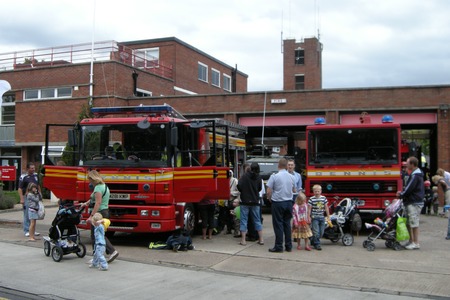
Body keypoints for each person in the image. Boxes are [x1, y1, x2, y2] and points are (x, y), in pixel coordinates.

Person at [82, 170, 119, 263]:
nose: (89, 182)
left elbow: (97, 203)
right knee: (100, 233)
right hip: (105, 211)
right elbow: (93, 199)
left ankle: (102, 255)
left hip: (99, 213)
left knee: (95, 235)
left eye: (90, 180)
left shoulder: (98, 188)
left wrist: (91, 216)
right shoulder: (104, 186)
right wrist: (85, 203)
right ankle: (105, 253)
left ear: (93, 179)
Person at [267, 158, 295, 253]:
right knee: (287, 224)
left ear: (278, 165)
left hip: (278, 202)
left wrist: (270, 198)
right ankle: (288, 246)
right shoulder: (292, 176)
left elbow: (269, 190)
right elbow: (294, 190)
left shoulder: (274, 176)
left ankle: (279, 246)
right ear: (287, 166)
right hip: (289, 202)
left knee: (278, 224)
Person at [397, 156, 424, 250]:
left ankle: (416, 242)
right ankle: (411, 241)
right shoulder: (416, 174)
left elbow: (409, 188)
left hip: (414, 202)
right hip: (412, 201)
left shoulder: (415, 175)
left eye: (407, 163)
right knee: (410, 222)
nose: (406, 164)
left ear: (412, 164)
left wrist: (401, 194)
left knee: (414, 222)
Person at [237, 162, 264, 246]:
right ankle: (261, 239)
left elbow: (239, 186)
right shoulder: (259, 177)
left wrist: (244, 191)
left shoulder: (244, 176)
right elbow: (259, 189)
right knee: (257, 220)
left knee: (244, 220)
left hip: (245, 201)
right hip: (255, 201)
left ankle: (243, 240)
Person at [18, 162, 40, 237]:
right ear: (28, 169)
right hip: (27, 197)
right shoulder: (23, 176)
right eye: (32, 168)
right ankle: (27, 230)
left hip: (35, 197)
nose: (33, 169)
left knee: (34, 213)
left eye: (34, 168)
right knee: (27, 214)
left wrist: (40, 195)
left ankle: (32, 230)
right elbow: (20, 188)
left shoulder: (36, 175)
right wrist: (22, 199)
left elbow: (38, 185)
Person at [308, 184, 330, 251]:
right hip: (315, 217)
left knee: (321, 233)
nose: (317, 193)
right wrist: (309, 216)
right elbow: (309, 209)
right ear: (313, 192)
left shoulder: (323, 198)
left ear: (320, 191)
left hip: (322, 217)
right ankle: (317, 244)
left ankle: (312, 239)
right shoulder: (311, 199)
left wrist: (328, 216)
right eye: (315, 191)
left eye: (318, 191)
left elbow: (326, 207)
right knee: (316, 231)